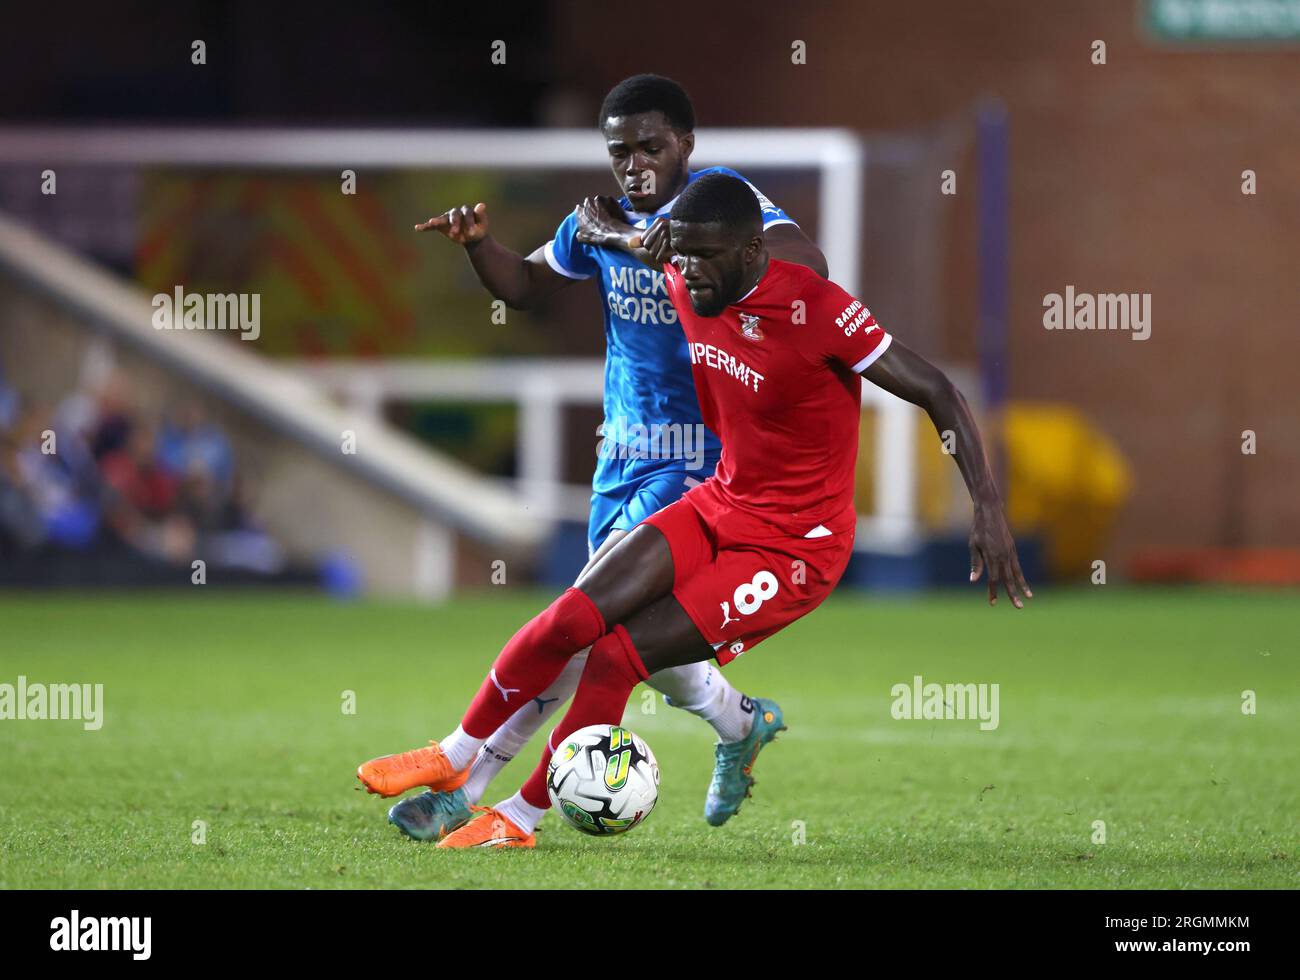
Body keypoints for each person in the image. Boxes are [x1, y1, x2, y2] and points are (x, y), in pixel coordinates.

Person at [359, 172, 1031, 849]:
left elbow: (937, 389)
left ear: (751, 254)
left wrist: (988, 508)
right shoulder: (688, 272)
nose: (687, 272)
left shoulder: (818, 309)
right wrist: (602, 234)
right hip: (721, 500)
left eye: (706, 257)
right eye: (682, 255)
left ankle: (518, 817)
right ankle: (454, 753)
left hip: (797, 547)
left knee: (618, 656)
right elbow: (644, 253)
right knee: (567, 618)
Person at [386, 74, 829, 840]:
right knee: (639, 643)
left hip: (700, 465)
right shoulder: (597, 219)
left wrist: (659, 243)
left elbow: (805, 263)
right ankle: (739, 723)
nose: (636, 165)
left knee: (582, 624)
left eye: (651, 146)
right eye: (620, 151)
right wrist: (478, 247)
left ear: (687, 145)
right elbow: (526, 285)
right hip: (620, 458)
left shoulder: (724, 206)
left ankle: (470, 785)